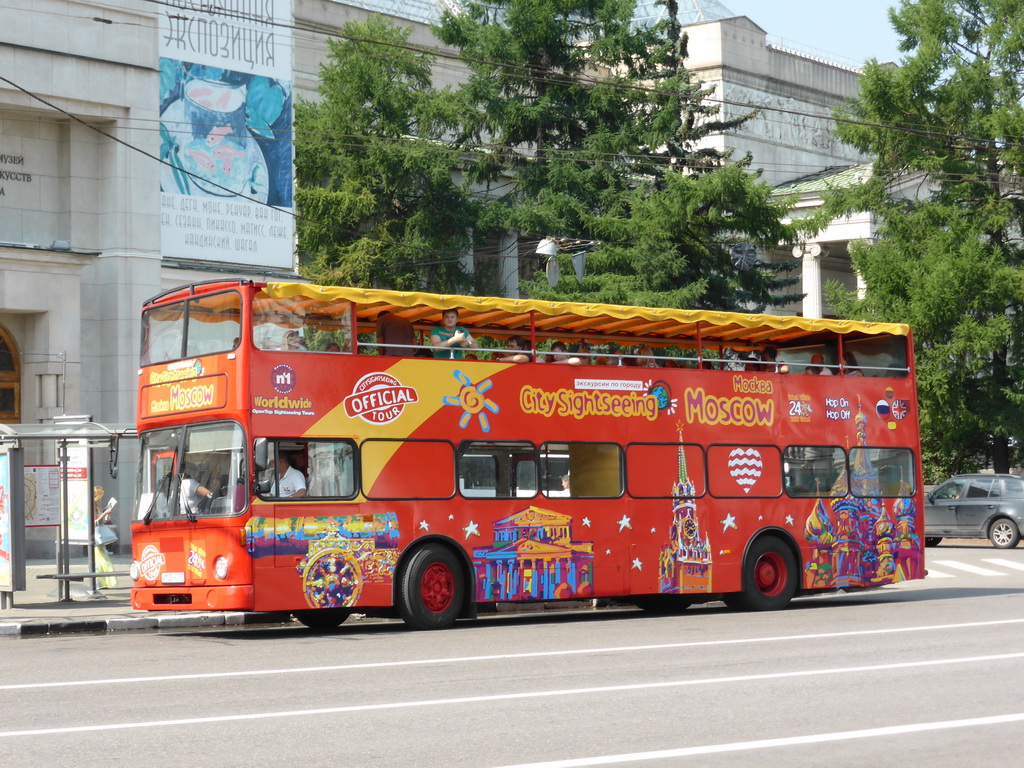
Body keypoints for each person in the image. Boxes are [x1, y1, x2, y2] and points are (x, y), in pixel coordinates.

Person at [92, 486, 118, 588]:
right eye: (100, 496)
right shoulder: (92, 506)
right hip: (97, 536)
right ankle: (103, 581)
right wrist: (105, 513)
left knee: (100, 558)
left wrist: (103, 513)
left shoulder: (94, 506)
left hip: (97, 537)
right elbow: (95, 522)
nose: (101, 498)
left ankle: (102, 581)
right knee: (102, 559)